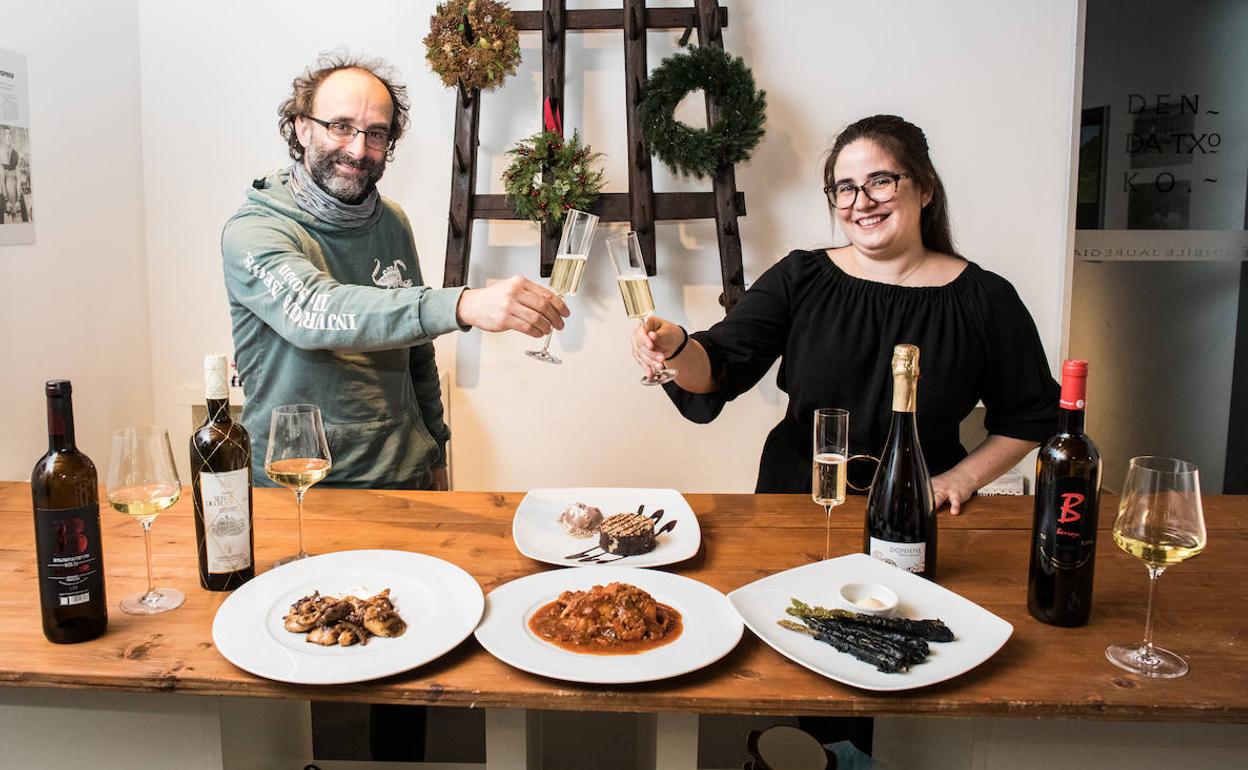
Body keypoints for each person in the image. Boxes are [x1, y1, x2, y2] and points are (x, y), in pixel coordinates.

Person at [634, 114, 1059, 515]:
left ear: (925, 188)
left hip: (917, 504)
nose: (862, 202)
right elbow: (715, 370)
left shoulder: (984, 298)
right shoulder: (800, 277)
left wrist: (962, 479)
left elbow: (1032, 413)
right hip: (799, 497)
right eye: (845, 188)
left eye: (881, 181)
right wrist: (677, 347)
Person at [222, 52, 568, 491]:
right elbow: (312, 311)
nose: (357, 149)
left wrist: (436, 455)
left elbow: (417, 354)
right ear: (302, 127)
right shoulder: (255, 230)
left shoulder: (392, 221)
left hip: (405, 478)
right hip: (300, 487)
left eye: (376, 133)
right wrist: (461, 303)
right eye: (340, 126)